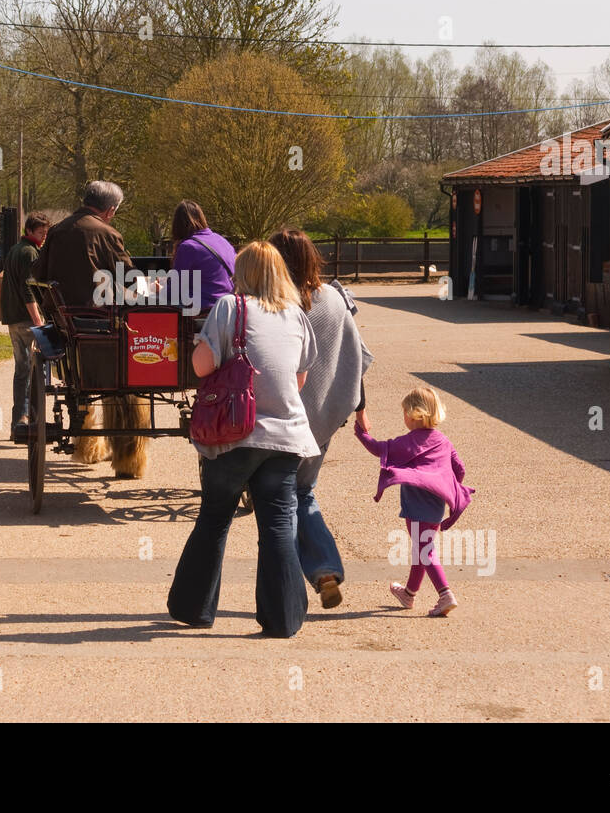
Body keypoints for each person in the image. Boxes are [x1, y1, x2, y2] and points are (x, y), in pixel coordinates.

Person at [167, 241, 319, 638]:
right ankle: (283, 618)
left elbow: (202, 367)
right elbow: (298, 381)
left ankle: (194, 608)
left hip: (234, 433)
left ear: (243, 273)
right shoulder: (296, 316)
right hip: (285, 437)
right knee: (278, 526)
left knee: (215, 518)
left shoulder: (230, 308)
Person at [269, 227, 371, 610]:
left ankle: (288, 583)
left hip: (282, 418)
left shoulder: (276, 302)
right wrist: (360, 407)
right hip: (324, 415)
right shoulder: (334, 299)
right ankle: (323, 569)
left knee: (282, 498)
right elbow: (354, 357)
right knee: (303, 492)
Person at [32, 181, 149, 477]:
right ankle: (127, 458)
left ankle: (87, 444)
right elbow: (131, 279)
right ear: (110, 210)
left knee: (80, 381)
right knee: (126, 379)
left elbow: (39, 275)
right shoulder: (107, 233)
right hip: (104, 324)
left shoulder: (57, 231)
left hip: (69, 326)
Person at [355, 386, 473, 617]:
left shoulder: (408, 442)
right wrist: (447, 484)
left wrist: (361, 432)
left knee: (424, 550)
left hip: (415, 508)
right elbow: (460, 469)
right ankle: (409, 594)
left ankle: (445, 593)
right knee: (422, 548)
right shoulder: (443, 441)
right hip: (437, 506)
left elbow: (378, 449)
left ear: (411, 414)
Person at [1, 213, 51, 432]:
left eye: (45, 233)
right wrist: (38, 321)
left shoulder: (14, 250)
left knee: (21, 370)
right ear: (29, 231)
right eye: (40, 232)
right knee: (34, 371)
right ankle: (29, 419)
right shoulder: (30, 252)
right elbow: (27, 288)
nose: (43, 237)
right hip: (27, 318)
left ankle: (18, 419)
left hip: (13, 319)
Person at [170, 200, 235, 311]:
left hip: (205, 309)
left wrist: (157, 290)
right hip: (230, 306)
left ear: (177, 225)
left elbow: (174, 290)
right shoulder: (222, 240)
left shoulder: (187, 247)